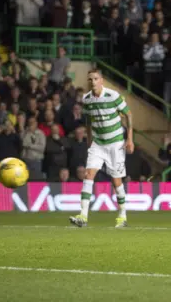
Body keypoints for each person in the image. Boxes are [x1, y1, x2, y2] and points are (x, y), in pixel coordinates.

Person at [69, 69, 134, 228]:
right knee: (88, 174)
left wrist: (130, 139)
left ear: (101, 80)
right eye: (90, 79)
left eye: (95, 79)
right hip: (98, 143)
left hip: (115, 143)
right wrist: (89, 142)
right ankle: (83, 216)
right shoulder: (87, 99)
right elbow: (89, 122)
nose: (92, 82)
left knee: (116, 180)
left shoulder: (113, 96)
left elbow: (129, 114)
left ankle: (122, 215)